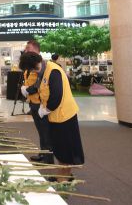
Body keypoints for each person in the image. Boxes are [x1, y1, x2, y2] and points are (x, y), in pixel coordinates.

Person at [20, 52, 85, 182]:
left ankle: (64, 178)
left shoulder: (53, 71)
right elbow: (41, 88)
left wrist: (45, 109)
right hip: (55, 116)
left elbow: (56, 96)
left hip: (64, 116)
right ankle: (63, 174)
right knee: (59, 148)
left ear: (33, 66)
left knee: (66, 148)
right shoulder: (42, 71)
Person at [21, 40, 54, 164]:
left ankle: (49, 160)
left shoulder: (43, 64)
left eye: (28, 48)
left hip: (41, 104)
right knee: (41, 131)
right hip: (33, 102)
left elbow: (40, 82)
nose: (25, 50)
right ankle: (43, 153)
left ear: (36, 49)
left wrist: (27, 90)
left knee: (46, 133)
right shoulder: (29, 63)